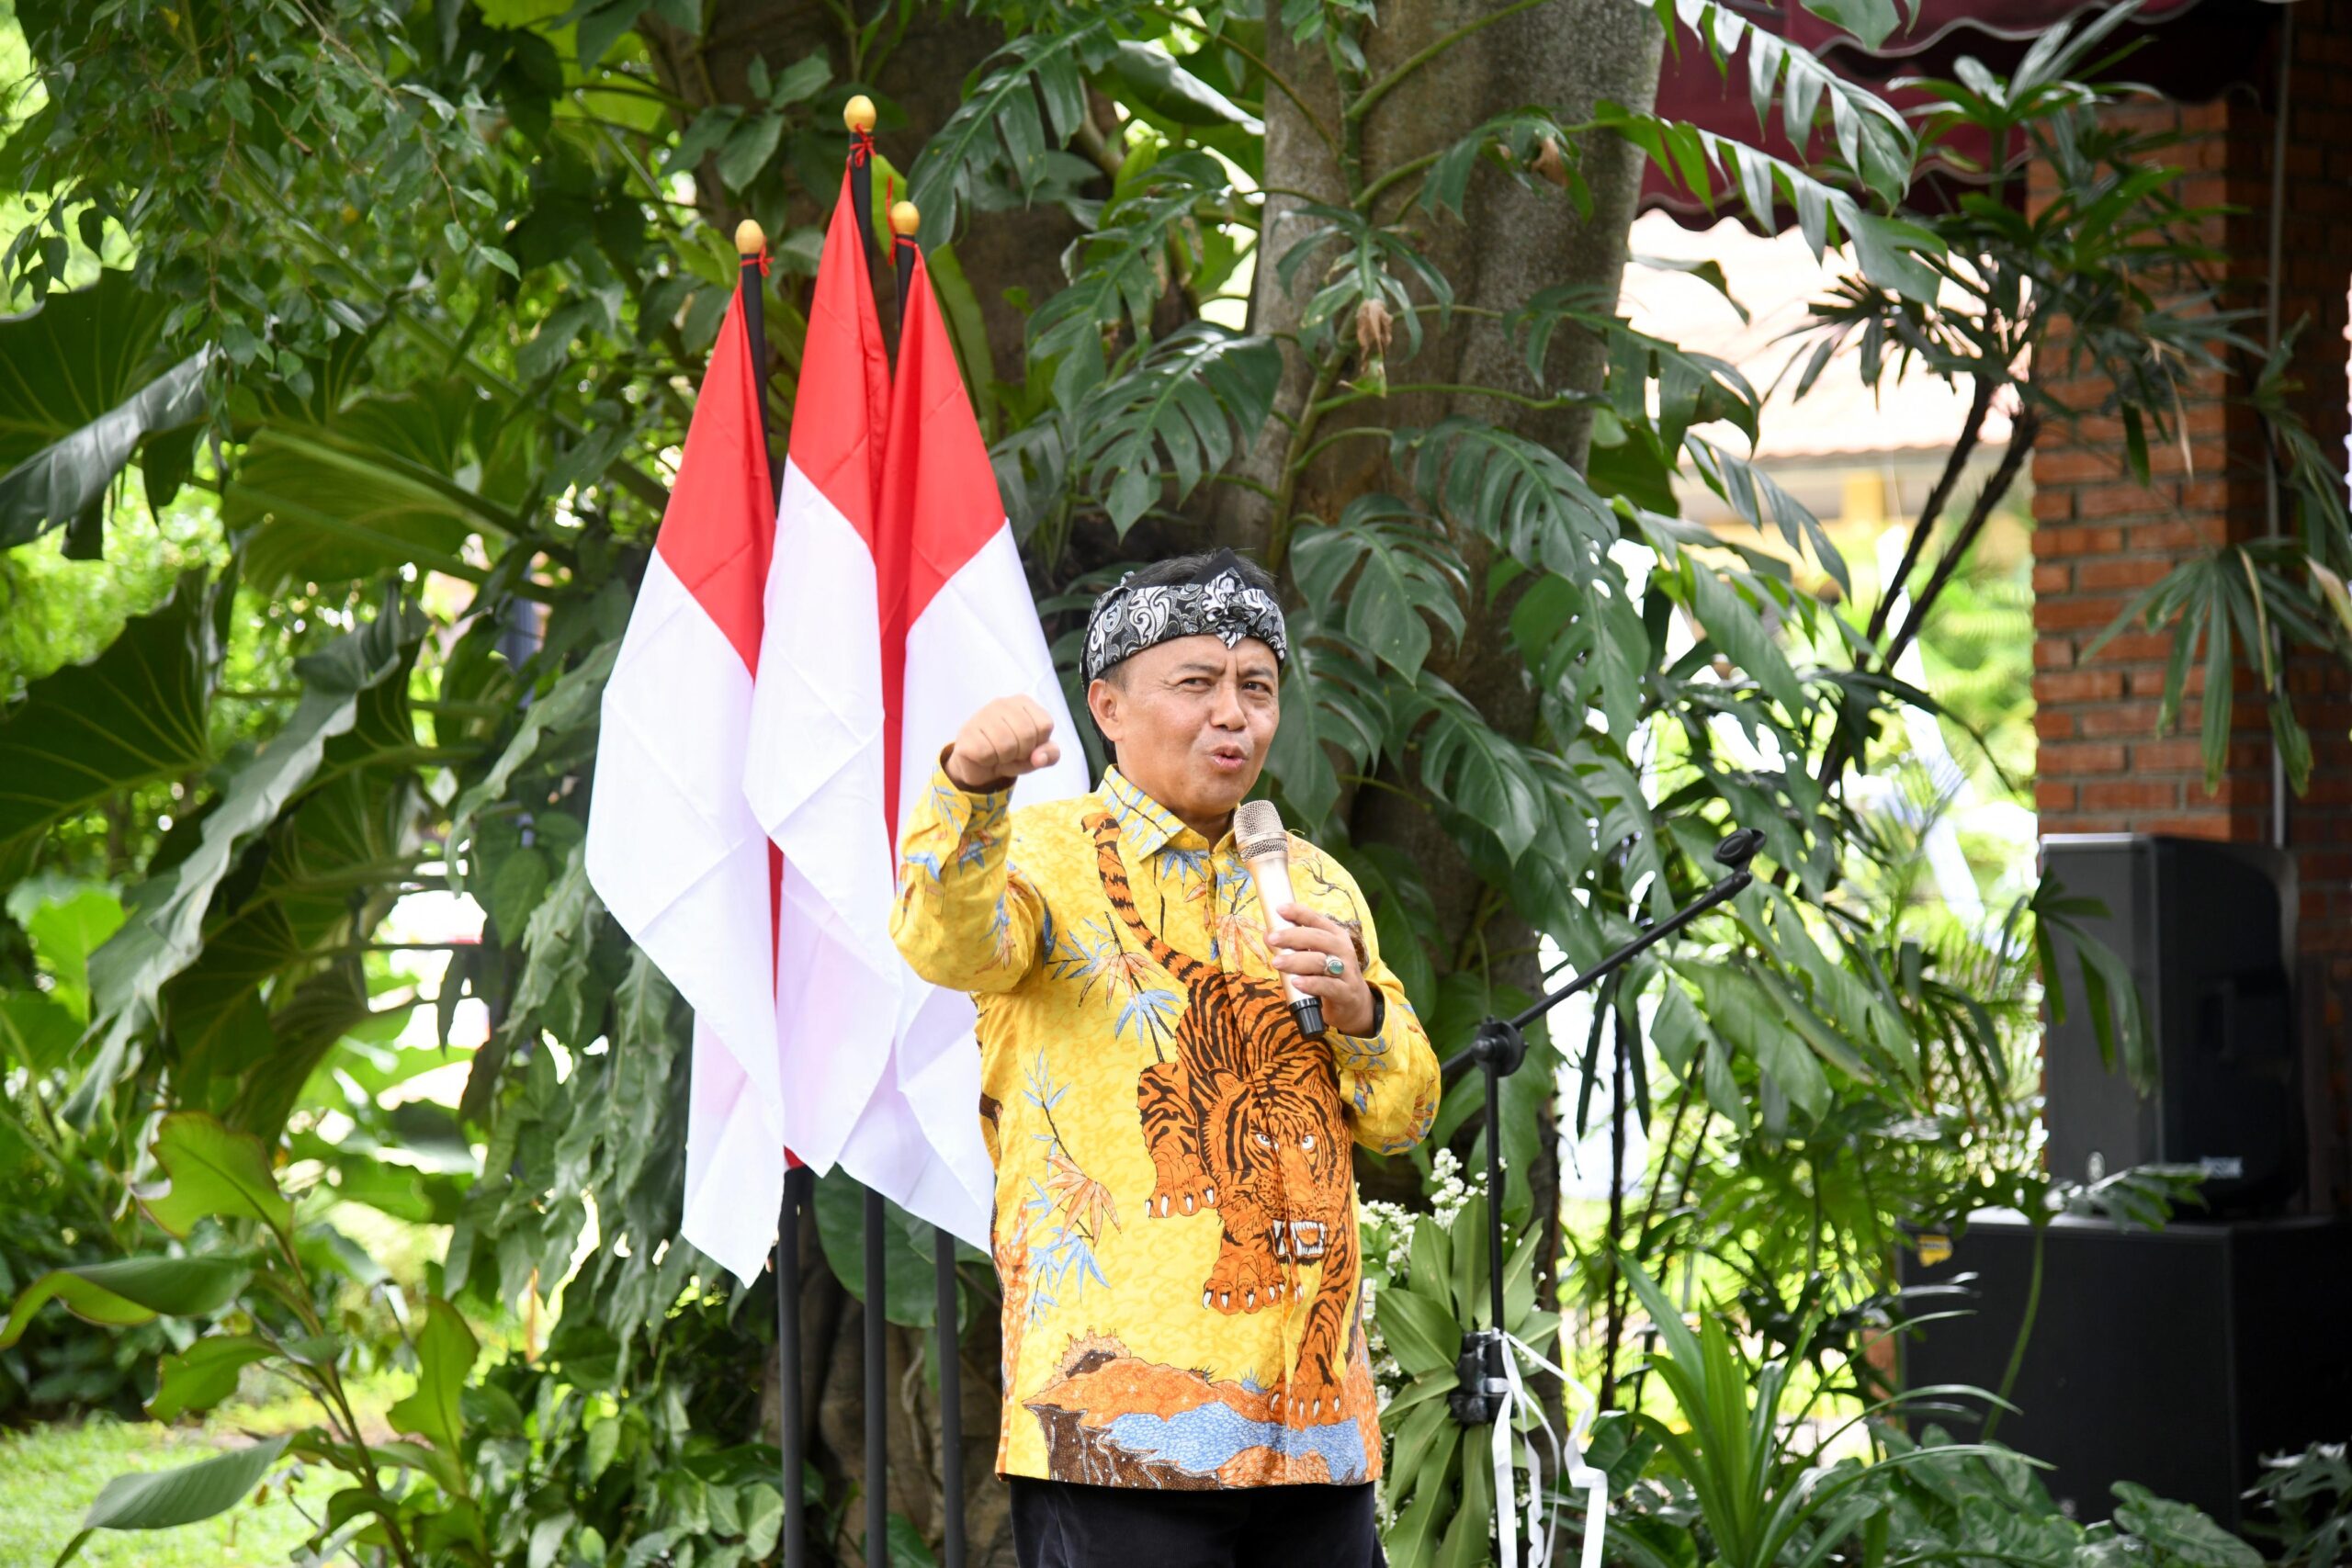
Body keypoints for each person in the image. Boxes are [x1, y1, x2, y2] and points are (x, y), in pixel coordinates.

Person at [889, 548, 1440, 1568]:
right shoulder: (1043, 856)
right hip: (1119, 1434)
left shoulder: (1312, 880)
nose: (1233, 715)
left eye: (1257, 688)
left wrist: (1360, 1009)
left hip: (1313, 1428)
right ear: (1107, 705)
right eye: (1197, 684)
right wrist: (969, 786)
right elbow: (944, 944)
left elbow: (1403, 1117)